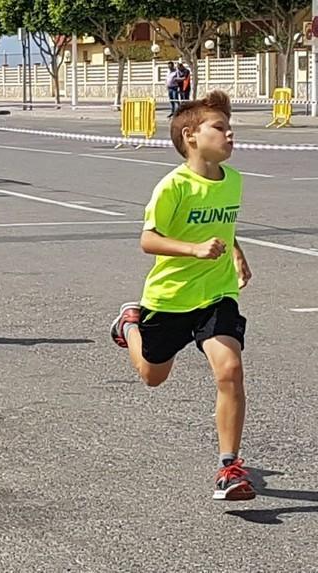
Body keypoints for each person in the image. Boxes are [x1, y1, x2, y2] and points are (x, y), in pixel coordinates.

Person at [110, 91, 254, 502]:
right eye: (220, 128)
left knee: (230, 370)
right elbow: (148, 239)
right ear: (191, 136)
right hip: (170, 296)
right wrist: (192, 250)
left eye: (230, 128)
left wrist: (237, 253)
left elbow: (225, 225)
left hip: (217, 293)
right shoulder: (173, 186)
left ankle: (229, 466)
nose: (230, 135)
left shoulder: (234, 181)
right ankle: (129, 325)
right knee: (153, 377)